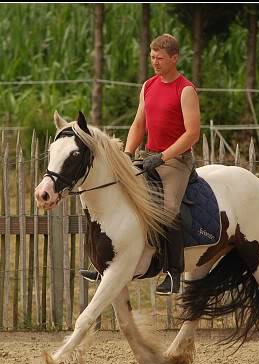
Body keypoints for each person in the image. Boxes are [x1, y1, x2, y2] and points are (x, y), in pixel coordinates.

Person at [81, 33, 200, 295]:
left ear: (174, 58)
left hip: (176, 162)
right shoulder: (148, 86)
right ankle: (106, 265)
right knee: (119, 196)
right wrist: (127, 154)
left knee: (168, 209)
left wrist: (164, 156)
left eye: (160, 58)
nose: (155, 62)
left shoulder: (186, 89)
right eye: (152, 57)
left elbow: (192, 133)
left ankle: (173, 272)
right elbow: (138, 125)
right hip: (147, 157)